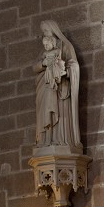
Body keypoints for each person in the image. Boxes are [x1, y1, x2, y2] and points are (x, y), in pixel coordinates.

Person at [33, 19, 82, 153]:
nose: (45, 34)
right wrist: (44, 64)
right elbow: (35, 67)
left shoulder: (65, 46)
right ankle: (46, 141)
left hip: (61, 89)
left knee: (59, 116)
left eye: (46, 31)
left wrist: (63, 70)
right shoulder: (44, 50)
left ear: (54, 30)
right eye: (43, 32)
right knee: (46, 114)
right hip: (46, 87)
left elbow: (74, 66)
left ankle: (62, 141)